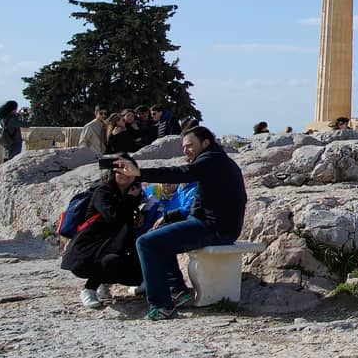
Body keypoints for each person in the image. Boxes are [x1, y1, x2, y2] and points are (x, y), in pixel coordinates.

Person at [117, 125, 246, 322]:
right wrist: (170, 217)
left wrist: (139, 174)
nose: (185, 150)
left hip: (214, 229)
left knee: (146, 243)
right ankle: (176, 289)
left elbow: (181, 172)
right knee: (161, 234)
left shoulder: (212, 160)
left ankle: (162, 306)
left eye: (190, 145)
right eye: (184, 146)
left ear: (205, 142)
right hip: (214, 225)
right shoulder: (218, 160)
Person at [62, 155, 150, 307]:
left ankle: (106, 283)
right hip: (93, 243)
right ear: (112, 173)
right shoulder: (102, 192)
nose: (124, 175)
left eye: (127, 171)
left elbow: (127, 219)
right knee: (109, 261)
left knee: (133, 273)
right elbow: (113, 217)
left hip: (118, 242)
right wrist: (130, 201)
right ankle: (89, 289)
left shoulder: (135, 193)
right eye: (119, 171)